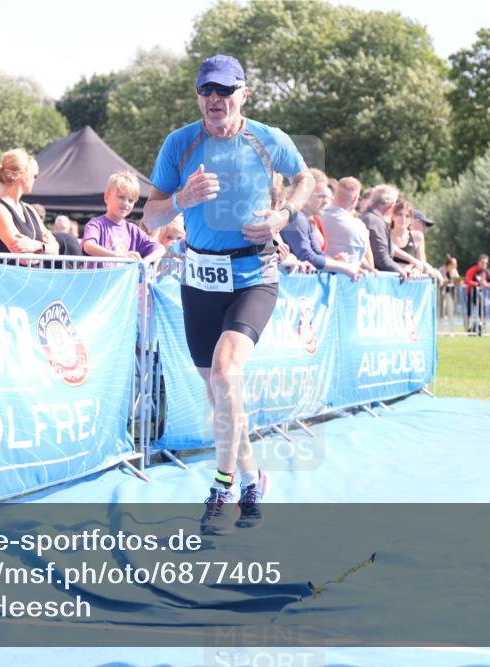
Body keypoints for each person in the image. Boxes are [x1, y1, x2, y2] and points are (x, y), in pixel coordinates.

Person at [142, 54, 313, 534]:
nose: (215, 100)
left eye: (224, 91)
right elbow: (149, 219)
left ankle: (224, 484)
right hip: (199, 279)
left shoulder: (267, 138)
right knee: (221, 394)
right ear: (198, 95)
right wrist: (180, 200)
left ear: (243, 93)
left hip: (254, 273)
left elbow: (305, 178)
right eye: (206, 91)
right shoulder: (180, 144)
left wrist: (284, 217)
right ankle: (254, 474)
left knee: (225, 372)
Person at [278, 173, 362, 281]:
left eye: (328, 197)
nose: (327, 201)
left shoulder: (306, 220)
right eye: (321, 196)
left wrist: (338, 264)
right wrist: (345, 267)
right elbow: (307, 257)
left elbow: (318, 253)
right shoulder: (297, 218)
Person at [0, 149, 58, 263]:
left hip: (32, 278)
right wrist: (46, 249)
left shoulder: (29, 209)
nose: (35, 180)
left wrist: (37, 246)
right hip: (7, 279)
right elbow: (24, 259)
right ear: (24, 175)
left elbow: (56, 249)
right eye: (35, 176)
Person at [83, 171, 165, 268]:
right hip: (101, 282)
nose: (126, 203)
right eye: (121, 197)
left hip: (124, 283)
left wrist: (145, 261)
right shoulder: (96, 224)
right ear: (106, 197)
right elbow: (88, 246)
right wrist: (119, 256)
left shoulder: (133, 230)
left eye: (130, 200)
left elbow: (160, 249)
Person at [321, 176, 375, 273]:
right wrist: (367, 239)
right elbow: (370, 266)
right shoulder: (359, 227)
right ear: (354, 199)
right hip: (349, 282)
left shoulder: (316, 216)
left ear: (334, 194)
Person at [360, 185, 410, 278]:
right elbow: (381, 258)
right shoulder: (375, 222)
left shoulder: (366, 217)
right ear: (391, 205)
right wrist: (401, 270)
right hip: (375, 282)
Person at [463, 254, 490, 334]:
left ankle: (483, 329)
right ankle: (466, 329)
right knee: (468, 311)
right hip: (471, 293)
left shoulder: (486, 271)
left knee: (482, 311)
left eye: (486, 263)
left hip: (480, 293)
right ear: (478, 262)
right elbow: (467, 280)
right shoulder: (473, 270)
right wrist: (478, 284)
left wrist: (487, 284)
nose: (484, 265)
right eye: (482, 263)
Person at [439, 255, 460, 335]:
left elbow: (458, 280)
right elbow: (439, 280)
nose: (455, 266)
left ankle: (452, 331)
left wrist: (455, 281)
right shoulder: (441, 270)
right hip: (441, 294)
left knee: (451, 312)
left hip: (450, 294)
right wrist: (447, 281)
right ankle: (441, 331)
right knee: (441, 313)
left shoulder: (454, 271)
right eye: (454, 264)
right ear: (449, 264)